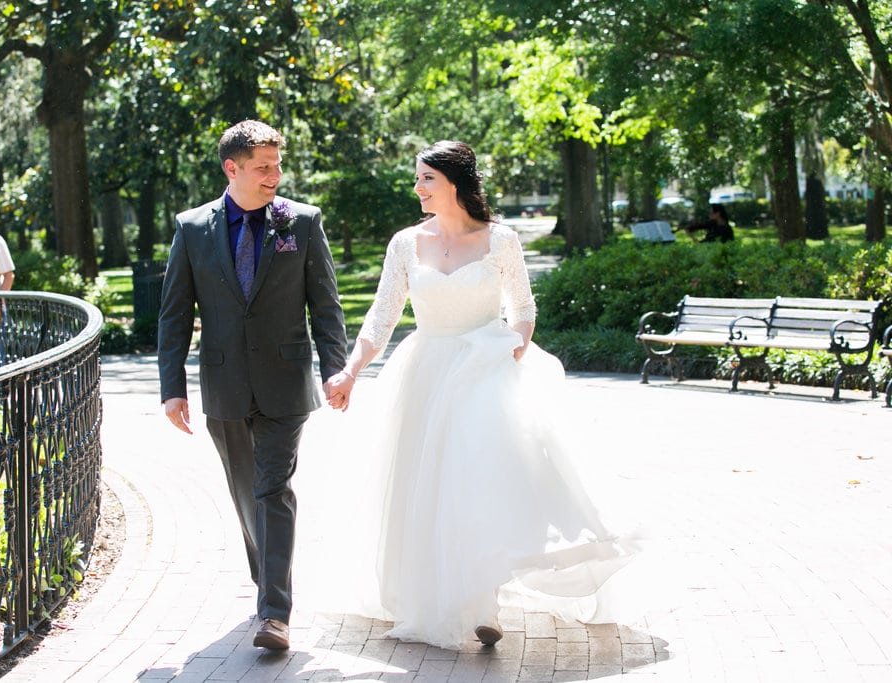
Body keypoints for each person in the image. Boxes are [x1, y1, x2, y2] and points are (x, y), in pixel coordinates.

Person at [322, 141, 642, 650]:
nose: (418, 188)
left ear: (455, 182)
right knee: (431, 486)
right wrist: (350, 371)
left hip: (487, 372)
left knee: (481, 479)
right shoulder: (406, 243)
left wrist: (512, 349)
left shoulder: (501, 240)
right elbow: (381, 318)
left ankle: (485, 601)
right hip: (426, 374)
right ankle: (450, 595)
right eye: (418, 179)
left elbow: (522, 306)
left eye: (427, 178)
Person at [157, 120, 348, 651]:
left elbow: (326, 305)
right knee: (247, 494)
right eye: (264, 167)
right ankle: (268, 580)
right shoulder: (192, 228)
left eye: (278, 165)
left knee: (272, 489)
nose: (275, 176)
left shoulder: (301, 222)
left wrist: (336, 366)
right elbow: (174, 314)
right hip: (223, 384)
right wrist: (172, 386)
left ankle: (274, 613)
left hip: (286, 383)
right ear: (232, 169)